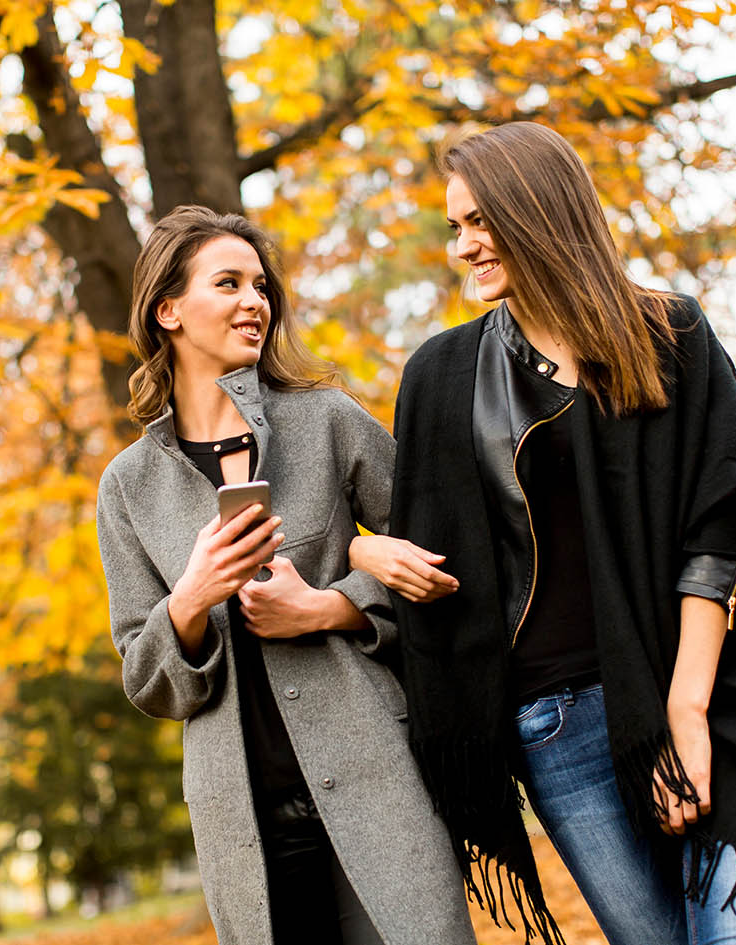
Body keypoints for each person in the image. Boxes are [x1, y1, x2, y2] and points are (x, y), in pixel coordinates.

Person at [351, 122, 736, 945]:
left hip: (704, 693)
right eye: (452, 227)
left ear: (535, 211)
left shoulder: (668, 331)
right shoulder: (441, 372)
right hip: (554, 723)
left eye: (476, 222)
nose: (460, 246)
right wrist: (360, 548)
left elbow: (732, 516)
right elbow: (423, 533)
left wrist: (685, 706)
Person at [94, 205, 475, 945]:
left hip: (377, 785)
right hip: (246, 828)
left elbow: (446, 555)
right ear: (168, 309)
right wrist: (192, 598)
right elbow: (147, 679)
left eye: (261, 286)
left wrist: (336, 604)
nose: (254, 302)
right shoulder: (127, 485)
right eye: (228, 283)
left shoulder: (326, 420)